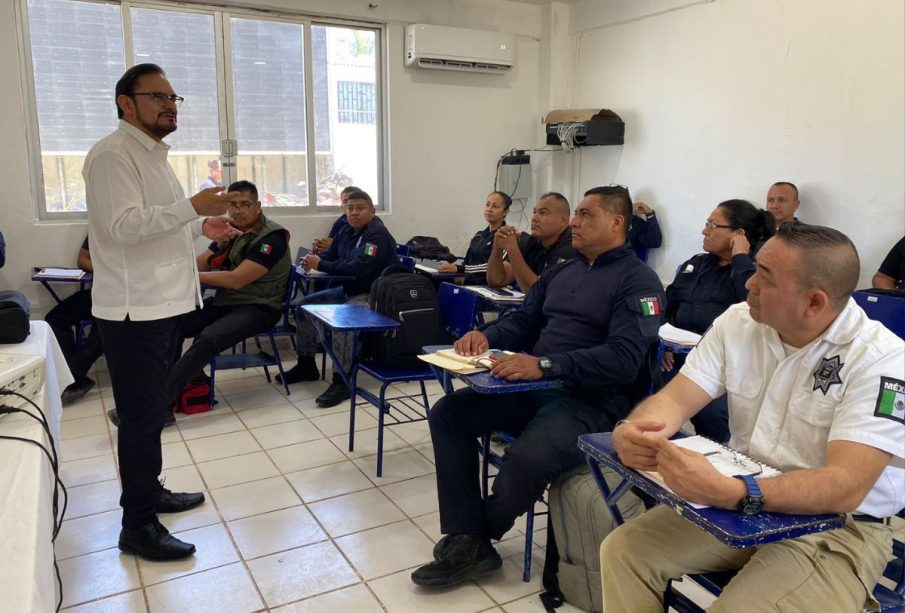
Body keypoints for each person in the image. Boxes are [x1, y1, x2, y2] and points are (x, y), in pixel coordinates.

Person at [601, 223, 904, 613]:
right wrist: (634, 430)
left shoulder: (882, 359)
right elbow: (675, 399)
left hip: (836, 526)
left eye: (765, 276)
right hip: (744, 497)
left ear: (813, 302)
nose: (749, 285)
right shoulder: (739, 321)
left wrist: (736, 493)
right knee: (625, 551)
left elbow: (846, 486)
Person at [411, 186, 665, 588]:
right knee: (450, 413)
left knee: (527, 458)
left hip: (591, 400)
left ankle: (477, 537)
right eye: (576, 215)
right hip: (536, 385)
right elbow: (525, 319)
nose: (575, 223)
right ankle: (466, 534)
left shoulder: (639, 282)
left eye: (585, 215)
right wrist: (487, 336)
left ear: (617, 223)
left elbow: (623, 360)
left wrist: (545, 364)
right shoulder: (565, 269)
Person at [86, 63, 240, 561]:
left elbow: (155, 226)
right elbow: (122, 228)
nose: (169, 105)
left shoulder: (152, 156)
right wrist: (192, 208)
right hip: (135, 309)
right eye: (157, 96)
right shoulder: (113, 155)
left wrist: (202, 228)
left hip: (163, 304)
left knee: (152, 413)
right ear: (125, 103)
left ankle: (149, 493)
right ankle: (137, 526)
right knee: (139, 417)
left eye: (174, 97)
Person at [105, 180, 291, 428]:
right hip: (229, 302)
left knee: (209, 338)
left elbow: (237, 280)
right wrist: (172, 267)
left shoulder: (273, 238)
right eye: (232, 205)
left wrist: (186, 276)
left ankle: (155, 408)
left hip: (260, 307)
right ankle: (163, 399)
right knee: (174, 323)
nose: (238, 210)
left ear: (258, 206)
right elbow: (202, 262)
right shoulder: (230, 231)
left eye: (245, 204)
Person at [659, 200, 775, 441]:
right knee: (650, 396)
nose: (705, 230)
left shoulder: (755, 270)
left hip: (724, 364)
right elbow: (668, 304)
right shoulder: (697, 263)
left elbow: (752, 304)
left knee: (711, 413)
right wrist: (664, 341)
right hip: (677, 357)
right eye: (706, 224)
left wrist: (740, 256)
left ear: (738, 234)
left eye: (713, 225)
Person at [277, 190, 396, 407]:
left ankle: (342, 380)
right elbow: (332, 257)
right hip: (348, 290)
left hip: (372, 294)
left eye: (360, 208)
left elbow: (358, 268)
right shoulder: (346, 230)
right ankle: (306, 364)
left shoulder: (377, 235)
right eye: (350, 208)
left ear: (372, 211)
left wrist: (320, 264)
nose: (354, 213)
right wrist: (314, 260)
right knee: (303, 306)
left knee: (344, 319)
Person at [45, 237, 104, 406]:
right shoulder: (96, 225)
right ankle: (72, 373)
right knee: (54, 319)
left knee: (105, 329)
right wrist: (105, 270)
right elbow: (82, 259)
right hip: (97, 292)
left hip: (125, 299)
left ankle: (71, 376)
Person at [485, 192, 577, 293]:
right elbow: (496, 281)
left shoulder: (571, 247)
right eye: (534, 212)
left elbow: (539, 293)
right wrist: (497, 246)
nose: (534, 218)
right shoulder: (533, 242)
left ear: (563, 220)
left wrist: (512, 249)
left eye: (543, 213)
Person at [437, 191, 512, 284]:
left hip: (486, 286)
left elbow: (497, 267)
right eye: (487, 204)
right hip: (467, 281)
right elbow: (466, 262)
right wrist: (454, 270)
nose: (489, 209)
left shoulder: (505, 237)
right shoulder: (478, 236)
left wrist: (459, 268)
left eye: (495, 206)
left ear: (505, 211)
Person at [312, 185, 362, 253]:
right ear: (342, 206)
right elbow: (330, 242)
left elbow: (357, 254)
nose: (349, 204)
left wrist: (333, 247)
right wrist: (321, 247)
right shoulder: (341, 221)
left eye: (353, 200)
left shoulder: (369, 227)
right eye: (346, 201)